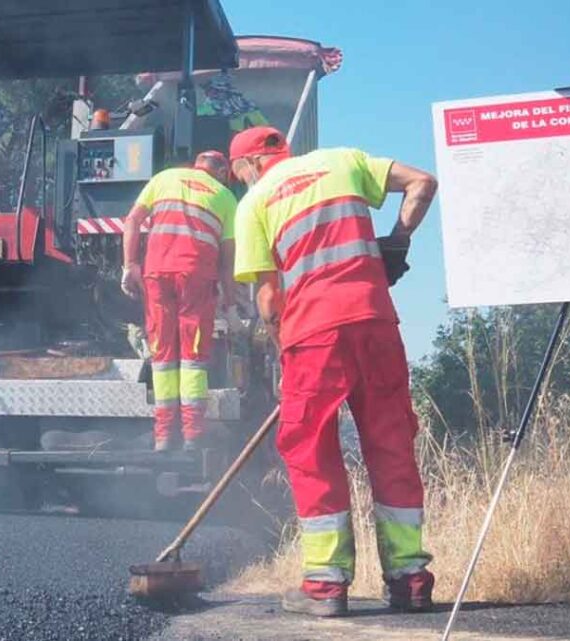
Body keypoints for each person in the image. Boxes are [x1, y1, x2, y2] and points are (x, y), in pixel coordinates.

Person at [229, 126, 438, 616]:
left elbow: (267, 298)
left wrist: (283, 351)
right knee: (390, 443)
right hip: (375, 321)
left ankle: (325, 587)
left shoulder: (255, 200)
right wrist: (398, 242)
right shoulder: (343, 160)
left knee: (311, 449)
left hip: (313, 335)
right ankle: (409, 579)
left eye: (239, 175)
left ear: (250, 164)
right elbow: (423, 182)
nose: (241, 183)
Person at [122, 151, 238, 451]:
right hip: (197, 279)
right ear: (223, 172)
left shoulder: (164, 179)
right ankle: (192, 435)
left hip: (157, 274)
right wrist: (231, 304)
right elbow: (227, 260)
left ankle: (162, 436)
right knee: (193, 358)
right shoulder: (225, 197)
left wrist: (129, 265)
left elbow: (132, 221)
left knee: (162, 356)